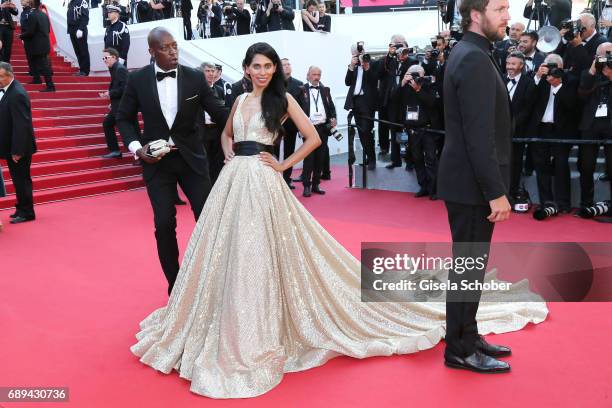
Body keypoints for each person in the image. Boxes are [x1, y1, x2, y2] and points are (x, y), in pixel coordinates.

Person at [130, 42, 548, 399]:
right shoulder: (238, 100)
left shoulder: (283, 99)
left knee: (263, 247)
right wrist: (228, 152)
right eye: (255, 66)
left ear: (275, 69)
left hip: (262, 181)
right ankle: (225, 316)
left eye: (267, 66)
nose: (261, 72)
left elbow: (312, 138)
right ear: (246, 69)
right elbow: (225, 133)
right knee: (227, 248)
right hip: (233, 181)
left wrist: (281, 165)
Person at [116, 28, 228, 296]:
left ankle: (213, 279)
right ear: (152, 52)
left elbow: (219, 112)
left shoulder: (194, 78)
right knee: (164, 223)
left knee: (209, 218)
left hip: (191, 159)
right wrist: (136, 148)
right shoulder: (138, 79)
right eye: (166, 48)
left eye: (175, 46)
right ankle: (175, 286)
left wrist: (250, 115)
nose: (173, 51)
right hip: (157, 163)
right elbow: (124, 118)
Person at [438, 0, 517, 373]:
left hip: (467, 182)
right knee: (467, 268)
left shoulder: (469, 52)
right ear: (475, 14)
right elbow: (478, 135)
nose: (507, 16)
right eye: (500, 8)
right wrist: (495, 190)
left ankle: (467, 335)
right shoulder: (471, 58)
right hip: (472, 186)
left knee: (470, 266)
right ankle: (459, 349)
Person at [0, 62, 36, 224]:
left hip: (19, 148)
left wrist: (17, 151)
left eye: (1, 76)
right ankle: (21, 207)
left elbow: (22, 125)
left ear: (10, 75)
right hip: (12, 145)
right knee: (17, 179)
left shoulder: (17, 94)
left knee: (22, 179)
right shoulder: (9, 90)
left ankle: (27, 212)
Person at [298, 65, 336, 197]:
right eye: (314, 75)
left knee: (320, 157)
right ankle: (306, 186)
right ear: (308, 75)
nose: (316, 77)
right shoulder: (301, 90)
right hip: (309, 128)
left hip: (323, 128)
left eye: (319, 75)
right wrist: (300, 128)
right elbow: (296, 111)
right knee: (309, 158)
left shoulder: (325, 90)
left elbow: (331, 107)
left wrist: (333, 118)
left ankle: (316, 184)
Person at [19, 0, 54, 92]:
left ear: (32, 4)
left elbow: (31, 31)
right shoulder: (44, 15)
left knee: (44, 66)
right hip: (44, 43)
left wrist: (21, 36)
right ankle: (37, 79)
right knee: (36, 62)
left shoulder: (32, 15)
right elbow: (48, 30)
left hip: (36, 44)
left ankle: (50, 86)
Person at [67, 0, 90, 76]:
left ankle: (85, 71)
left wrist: (80, 28)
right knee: (78, 51)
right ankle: (81, 69)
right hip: (72, 30)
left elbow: (85, 17)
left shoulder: (82, 2)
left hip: (80, 30)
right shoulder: (71, 3)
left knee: (83, 50)